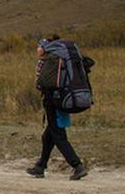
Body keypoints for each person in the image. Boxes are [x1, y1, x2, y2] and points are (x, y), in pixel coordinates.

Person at [28, 36, 91, 180]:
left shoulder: (49, 60)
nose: (38, 49)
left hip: (52, 100)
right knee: (48, 135)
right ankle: (40, 166)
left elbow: (40, 83)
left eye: (40, 46)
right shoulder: (62, 59)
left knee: (58, 135)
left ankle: (77, 166)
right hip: (62, 97)